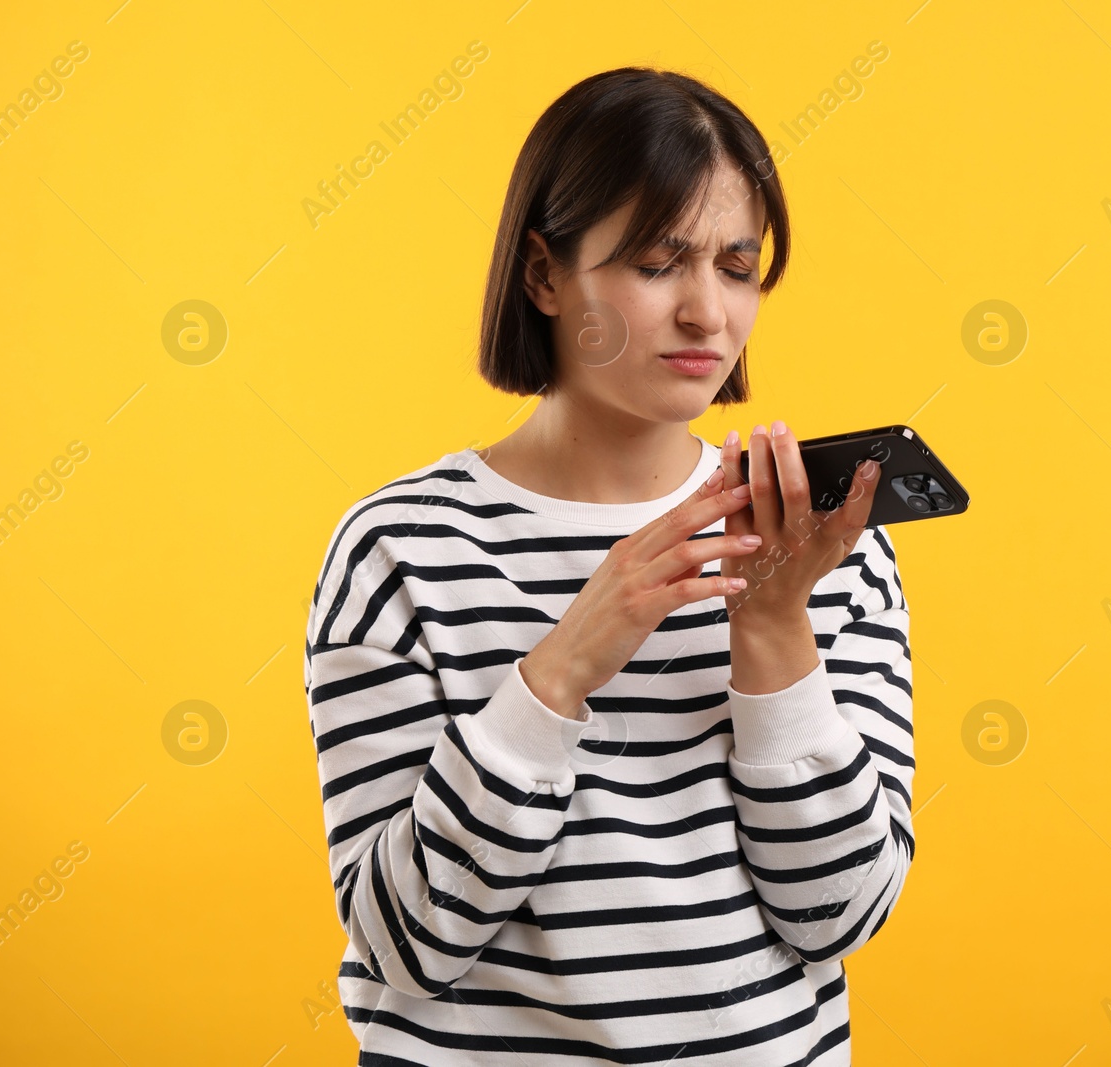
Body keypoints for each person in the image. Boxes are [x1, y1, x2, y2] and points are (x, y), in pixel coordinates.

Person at [303, 67, 916, 1065]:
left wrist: (772, 630)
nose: (706, 314)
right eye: (656, 260)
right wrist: (560, 671)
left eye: (735, 263)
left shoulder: (824, 544)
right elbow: (408, 940)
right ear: (544, 276)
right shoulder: (401, 548)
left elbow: (839, 912)